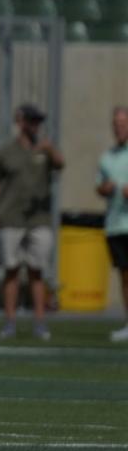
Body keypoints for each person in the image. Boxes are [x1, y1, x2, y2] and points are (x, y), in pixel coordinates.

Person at [0, 104, 65, 341]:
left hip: (38, 220)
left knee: (37, 271)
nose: (35, 126)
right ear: (20, 122)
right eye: (31, 121)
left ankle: (40, 323)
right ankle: (10, 322)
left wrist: (50, 150)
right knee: (11, 271)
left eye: (38, 121)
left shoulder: (44, 149)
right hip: (11, 219)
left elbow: (61, 164)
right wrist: (4, 206)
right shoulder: (5, 152)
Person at [96, 106, 128, 342]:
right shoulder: (107, 157)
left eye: (123, 123)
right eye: (116, 124)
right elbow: (100, 185)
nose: (119, 128)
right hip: (116, 224)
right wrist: (104, 188)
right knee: (124, 276)